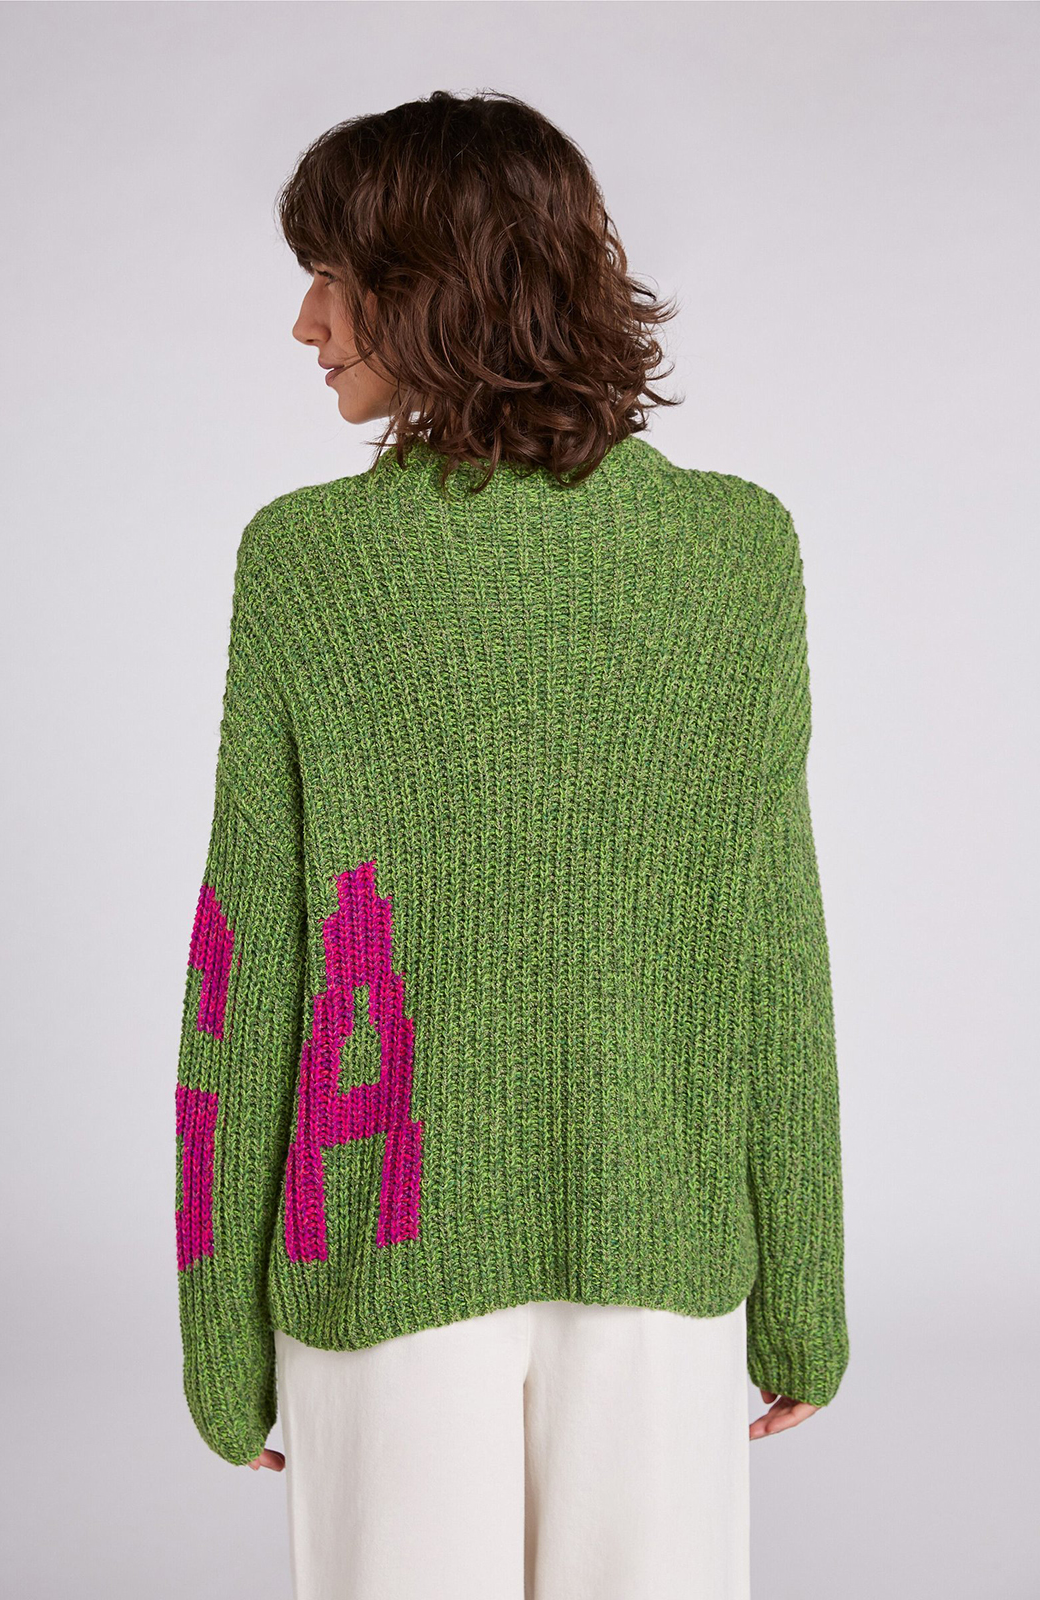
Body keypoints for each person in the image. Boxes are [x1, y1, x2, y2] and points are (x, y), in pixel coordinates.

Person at [173, 88, 848, 1600]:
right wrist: (804, 1287)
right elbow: (774, 944)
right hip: (652, 1256)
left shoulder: (314, 561)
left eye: (333, 277)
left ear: (434, 286)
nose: (305, 322)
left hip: (390, 1243)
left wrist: (221, 1327)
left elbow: (244, 959)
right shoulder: (734, 549)